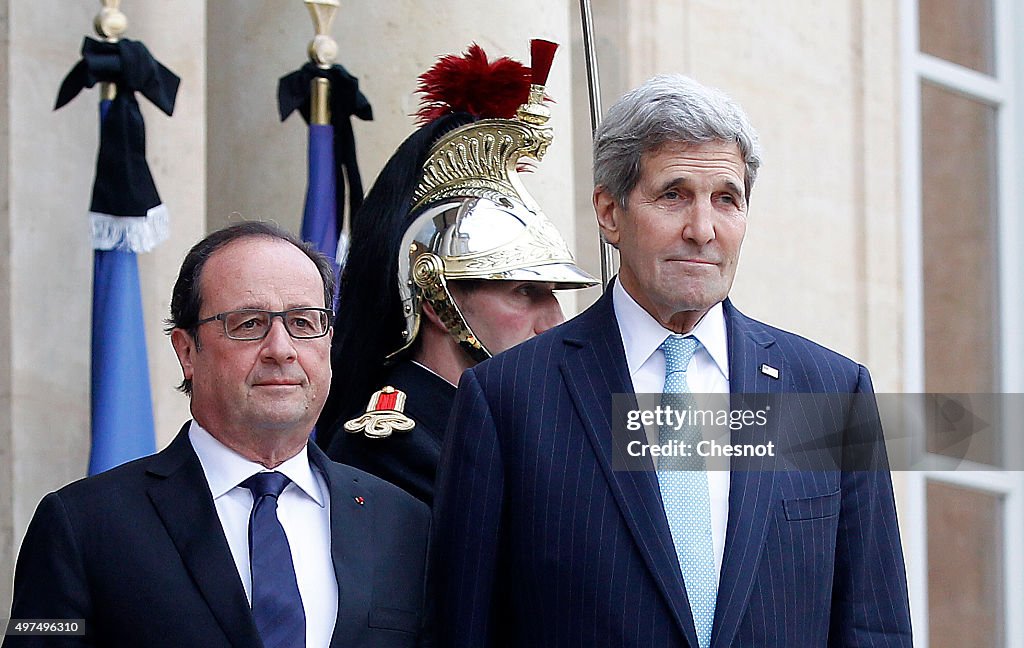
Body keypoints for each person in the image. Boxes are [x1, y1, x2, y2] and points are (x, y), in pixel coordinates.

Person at [429, 75, 913, 647]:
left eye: (726, 200)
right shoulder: (507, 398)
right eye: (673, 195)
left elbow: (873, 626)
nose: (702, 230)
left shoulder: (831, 391)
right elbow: (459, 629)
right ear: (609, 212)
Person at [4, 222, 429, 647]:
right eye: (248, 324)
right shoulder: (84, 526)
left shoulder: (403, 523)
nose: (281, 348)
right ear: (187, 351)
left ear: (328, 342)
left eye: (303, 322)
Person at [316, 41, 596, 505]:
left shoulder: (525, 422)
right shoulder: (390, 447)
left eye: (552, 292)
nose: (553, 320)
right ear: (437, 303)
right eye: (524, 291)